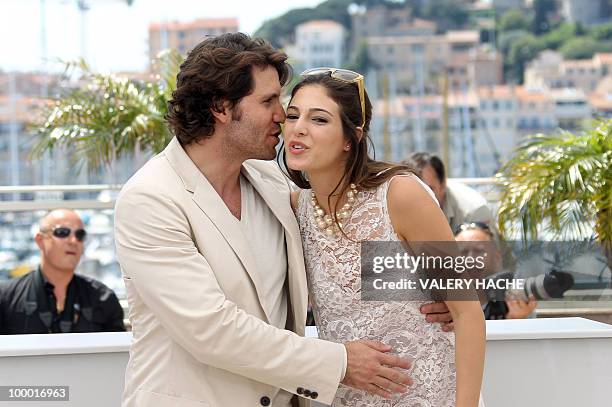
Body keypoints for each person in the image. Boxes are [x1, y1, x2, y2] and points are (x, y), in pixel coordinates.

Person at [114, 33, 417, 407]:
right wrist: (340, 363)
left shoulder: (271, 180)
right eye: (269, 101)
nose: (284, 116)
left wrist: (440, 292)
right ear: (222, 108)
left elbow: (342, 247)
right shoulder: (150, 198)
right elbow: (211, 330)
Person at [282, 68, 485, 406]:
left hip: (431, 396)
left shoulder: (399, 195)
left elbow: (466, 313)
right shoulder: (293, 208)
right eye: (292, 115)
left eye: (319, 119)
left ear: (352, 137)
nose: (298, 127)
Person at [0, 209, 124, 334]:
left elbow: (119, 352)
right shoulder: (6, 298)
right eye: (62, 232)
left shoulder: (103, 299)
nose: (73, 241)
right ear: (40, 240)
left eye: (80, 235)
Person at [454, 222, 538, 320]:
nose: (470, 259)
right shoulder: (440, 307)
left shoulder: (516, 303)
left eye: (478, 251)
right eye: (462, 252)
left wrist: (515, 322)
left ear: (497, 259)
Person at [404, 153, 496, 235]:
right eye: (410, 193)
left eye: (428, 190)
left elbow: (487, 252)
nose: (418, 199)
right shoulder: (396, 206)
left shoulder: (474, 211)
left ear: (443, 184)